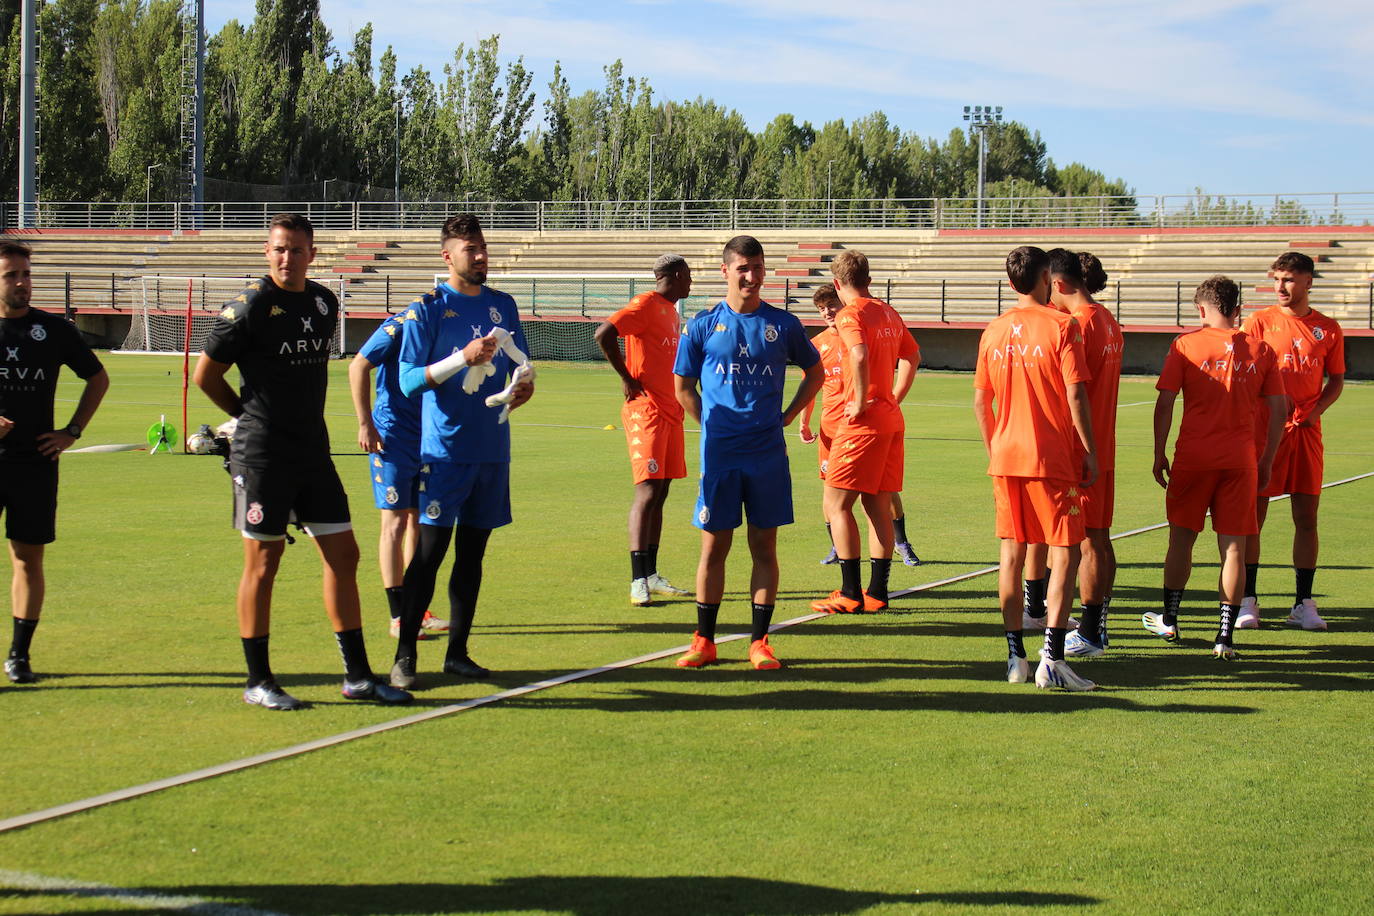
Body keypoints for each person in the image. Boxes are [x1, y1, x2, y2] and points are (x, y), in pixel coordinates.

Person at [194, 213, 411, 710]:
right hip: (263, 456)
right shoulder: (248, 307)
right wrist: (245, 417)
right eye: (278, 249)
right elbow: (206, 376)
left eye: (296, 249)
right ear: (267, 253)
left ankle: (358, 676)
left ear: (312, 253)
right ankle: (258, 680)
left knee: (345, 555)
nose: (286, 258)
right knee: (264, 562)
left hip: (312, 450)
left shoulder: (323, 302)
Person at [389, 214, 534, 687]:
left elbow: (519, 364)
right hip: (445, 453)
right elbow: (408, 381)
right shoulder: (426, 309)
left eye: (483, 246)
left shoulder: (503, 305)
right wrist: (460, 359)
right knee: (429, 554)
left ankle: (457, 652)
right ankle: (405, 654)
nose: (480, 255)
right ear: (446, 255)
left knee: (473, 557)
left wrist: (522, 387)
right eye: (470, 248)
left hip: (492, 450)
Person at [672, 235, 823, 670]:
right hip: (720, 456)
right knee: (713, 549)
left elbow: (816, 372)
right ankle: (704, 640)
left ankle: (760, 643)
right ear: (726, 271)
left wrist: (790, 415)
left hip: (767, 455)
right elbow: (683, 387)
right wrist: (710, 427)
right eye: (743, 268)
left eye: (757, 268)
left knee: (764, 547)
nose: (752, 277)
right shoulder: (701, 325)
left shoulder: (784, 325)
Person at [972, 246, 1098, 691]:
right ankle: (1053, 659)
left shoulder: (993, 330)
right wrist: (1090, 449)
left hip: (1006, 458)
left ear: (1010, 283)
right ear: (1047, 276)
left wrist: (996, 449)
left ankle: (1014, 658)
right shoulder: (1063, 326)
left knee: (1012, 554)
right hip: (1052, 457)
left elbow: (981, 401)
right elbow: (1076, 394)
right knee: (1066, 553)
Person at [1146, 276, 1285, 658]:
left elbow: (1165, 403)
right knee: (1234, 548)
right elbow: (1279, 410)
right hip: (1241, 460)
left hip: (1194, 458)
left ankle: (1171, 620)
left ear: (1202, 308)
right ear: (1236, 307)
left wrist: (1159, 453)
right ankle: (1224, 636)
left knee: (1181, 540)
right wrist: (1268, 457)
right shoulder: (1261, 349)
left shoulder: (1187, 345)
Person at [0, 241, 109, 685]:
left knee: (28, 558)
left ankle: (19, 656)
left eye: (26, 274)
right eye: (11, 275)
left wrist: (72, 432)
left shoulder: (52, 330)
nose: (22, 282)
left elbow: (97, 378)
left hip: (33, 463)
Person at [1238, 252, 1344, 631]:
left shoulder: (1328, 329)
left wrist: (1315, 412)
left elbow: (1336, 382)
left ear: (1309, 282)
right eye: (1277, 279)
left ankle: (1303, 602)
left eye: (1289, 280)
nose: (1281, 287)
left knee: (1306, 518)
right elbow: (1245, 372)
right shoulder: (1259, 321)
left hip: (1305, 434)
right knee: (1254, 517)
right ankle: (1248, 599)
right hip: (1265, 433)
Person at [811, 250, 920, 615]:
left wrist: (858, 400)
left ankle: (849, 592)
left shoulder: (850, 314)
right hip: (890, 418)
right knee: (878, 506)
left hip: (862, 423)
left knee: (837, 504)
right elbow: (913, 356)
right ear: (868, 281)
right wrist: (893, 396)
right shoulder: (888, 311)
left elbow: (857, 354)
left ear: (838, 284)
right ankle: (877, 592)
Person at [593, 255, 693, 607]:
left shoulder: (671, 311)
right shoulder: (645, 304)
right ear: (677, 275)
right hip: (646, 411)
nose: (691, 283)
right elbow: (604, 333)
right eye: (689, 276)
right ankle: (638, 580)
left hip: (671, 412)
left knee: (662, 492)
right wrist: (625, 377)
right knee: (647, 493)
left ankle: (651, 572)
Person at [348, 312, 449, 639]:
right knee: (394, 522)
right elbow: (358, 365)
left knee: (420, 522)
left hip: (430, 436)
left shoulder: (447, 325)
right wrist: (366, 423)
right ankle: (397, 615)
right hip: (391, 437)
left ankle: (416, 610)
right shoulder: (401, 325)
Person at [1047, 249, 1123, 657]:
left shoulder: (1078, 325)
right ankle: (1098, 626)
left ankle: (1091, 632)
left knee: (1086, 543)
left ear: (1059, 284)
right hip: (1104, 446)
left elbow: (1072, 392)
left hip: (1083, 451)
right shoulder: (1108, 320)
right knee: (1100, 538)